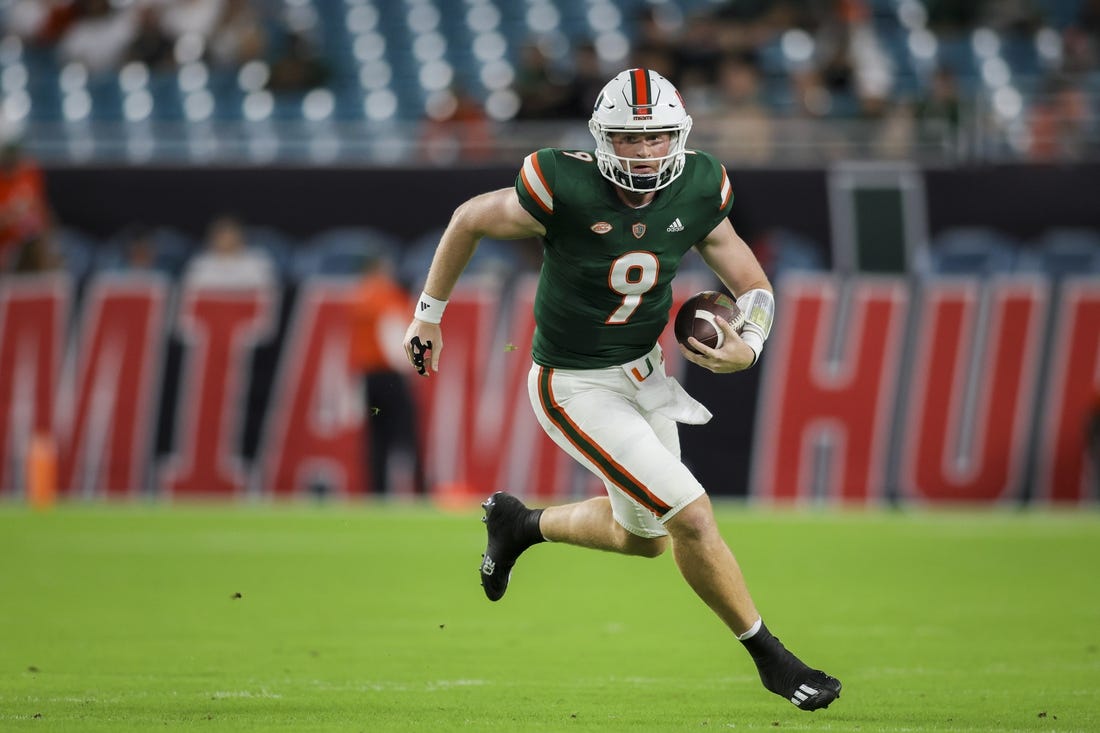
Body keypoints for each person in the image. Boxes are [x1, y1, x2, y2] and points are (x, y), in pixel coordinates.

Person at [402, 68, 842, 712]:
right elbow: (468, 218)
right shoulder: (560, 183)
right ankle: (771, 657)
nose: (644, 152)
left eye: (659, 137)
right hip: (573, 385)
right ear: (600, 139)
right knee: (691, 515)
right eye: (628, 139)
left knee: (647, 539)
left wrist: (751, 343)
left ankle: (520, 525)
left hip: (646, 374)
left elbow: (752, 282)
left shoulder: (699, 185)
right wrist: (428, 312)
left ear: (680, 136)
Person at [348, 253, 427, 496]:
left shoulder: (358, 297)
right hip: (390, 377)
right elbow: (393, 336)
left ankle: (378, 491)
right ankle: (420, 490)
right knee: (407, 436)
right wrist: (411, 368)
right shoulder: (385, 295)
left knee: (377, 438)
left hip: (368, 377)